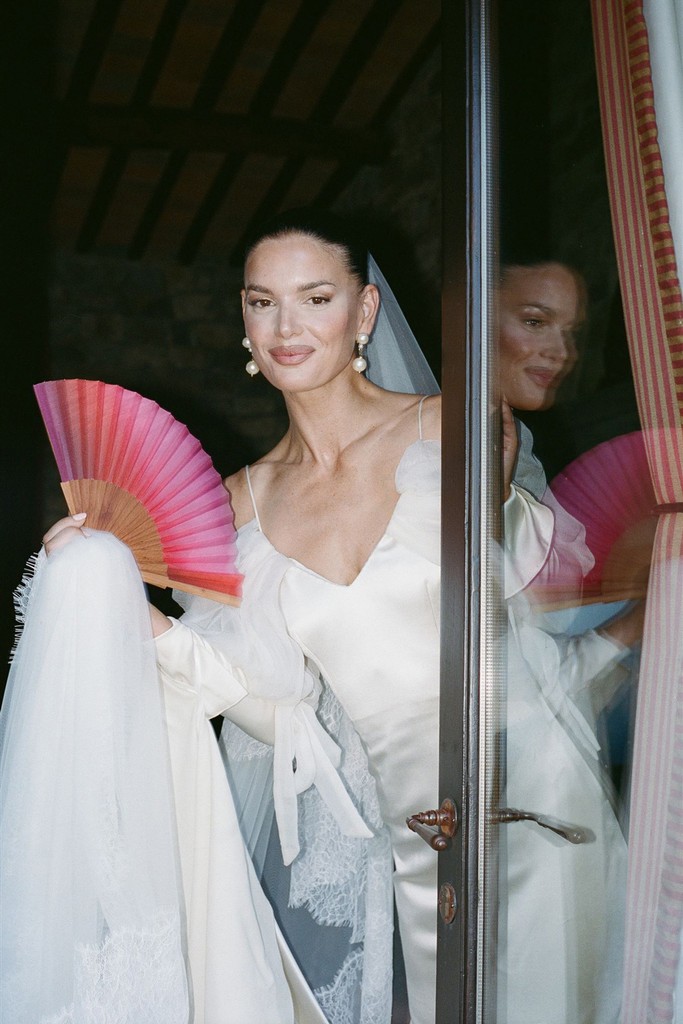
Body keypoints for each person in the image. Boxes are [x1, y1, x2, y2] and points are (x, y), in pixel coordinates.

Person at [6, 209, 442, 1024]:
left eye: (315, 297)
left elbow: (513, 636)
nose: (285, 326)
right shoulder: (234, 504)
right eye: (260, 300)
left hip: (487, 809)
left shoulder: (450, 434)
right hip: (338, 847)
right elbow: (264, 709)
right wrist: (127, 607)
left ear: (365, 311)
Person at [496, 259, 644, 1024]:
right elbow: (499, 664)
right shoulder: (476, 450)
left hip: (541, 769)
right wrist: (631, 621)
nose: (560, 350)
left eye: (570, 331)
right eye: (533, 320)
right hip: (512, 786)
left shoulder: (514, 448)